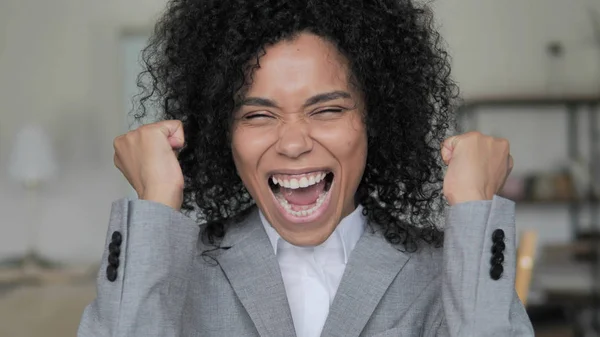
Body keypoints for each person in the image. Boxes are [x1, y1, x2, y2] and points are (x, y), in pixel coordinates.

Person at [78, 0, 534, 336]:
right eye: (258, 115)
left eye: (328, 110)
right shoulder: (174, 272)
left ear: (374, 119)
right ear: (222, 134)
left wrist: (476, 210)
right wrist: (155, 203)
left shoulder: (447, 272)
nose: (294, 143)